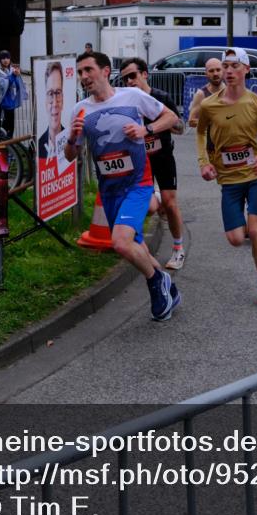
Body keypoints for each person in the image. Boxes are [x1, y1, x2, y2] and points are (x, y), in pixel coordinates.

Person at [64, 50, 181, 322]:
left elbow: (171, 118)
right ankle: (168, 287)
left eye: (88, 70)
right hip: (110, 190)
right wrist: (72, 137)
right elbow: (71, 156)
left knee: (120, 242)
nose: (84, 77)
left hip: (138, 184)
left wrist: (146, 130)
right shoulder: (79, 110)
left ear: (105, 71)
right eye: (80, 72)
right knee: (133, 245)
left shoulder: (132, 97)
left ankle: (155, 285)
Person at [196, 47, 257, 312]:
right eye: (225, 66)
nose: (228, 71)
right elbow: (201, 134)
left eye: (234, 66)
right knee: (236, 239)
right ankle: (250, 230)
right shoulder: (209, 105)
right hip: (229, 180)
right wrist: (204, 163)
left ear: (246, 70)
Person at [119, 57, 186, 271]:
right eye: (125, 79)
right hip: (140, 163)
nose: (129, 82)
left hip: (163, 156)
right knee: (149, 208)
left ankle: (178, 248)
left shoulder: (160, 97)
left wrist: (155, 127)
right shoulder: (125, 102)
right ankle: (154, 202)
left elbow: (180, 127)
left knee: (170, 203)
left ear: (144, 74)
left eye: (133, 76)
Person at [38, 60, 66, 159]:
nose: (54, 103)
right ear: (45, 101)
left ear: (63, 98)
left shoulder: (70, 141)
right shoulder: (39, 145)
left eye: (58, 93)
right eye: (50, 93)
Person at [0, 50, 24, 138]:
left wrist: (17, 76)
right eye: (3, 58)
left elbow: (18, 85)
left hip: (10, 103)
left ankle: (10, 143)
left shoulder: (11, 70)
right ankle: (2, 143)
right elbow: (2, 84)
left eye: (8, 58)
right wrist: (13, 76)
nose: (6, 60)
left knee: (11, 126)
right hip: (1, 102)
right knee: (2, 126)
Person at [187, 57, 225, 127]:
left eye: (218, 70)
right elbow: (191, 121)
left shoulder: (230, 91)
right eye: (211, 71)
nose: (215, 73)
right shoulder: (201, 94)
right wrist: (213, 123)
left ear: (223, 71)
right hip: (208, 137)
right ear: (206, 74)